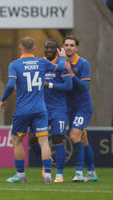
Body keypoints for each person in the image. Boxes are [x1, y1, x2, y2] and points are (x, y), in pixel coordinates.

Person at [0, 36, 66, 184]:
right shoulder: (42, 62)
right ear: (34, 49)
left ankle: (21, 175)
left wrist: (3, 99)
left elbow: (11, 85)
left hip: (23, 109)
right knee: (44, 141)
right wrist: (62, 57)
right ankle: (48, 176)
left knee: (17, 140)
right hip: (40, 108)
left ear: (20, 48)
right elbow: (61, 68)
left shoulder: (15, 64)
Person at [28, 39, 72, 183]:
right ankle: (45, 161)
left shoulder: (62, 64)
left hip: (58, 108)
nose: (49, 50)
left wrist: (50, 84)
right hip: (41, 108)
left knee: (58, 139)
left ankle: (59, 174)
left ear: (56, 49)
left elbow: (68, 86)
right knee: (33, 138)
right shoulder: (41, 63)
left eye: (52, 48)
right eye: (47, 47)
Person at [63, 35, 98, 182]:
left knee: (73, 136)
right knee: (83, 140)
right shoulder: (61, 63)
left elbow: (85, 87)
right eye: (66, 45)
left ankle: (79, 172)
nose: (69, 47)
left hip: (83, 107)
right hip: (70, 108)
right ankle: (91, 172)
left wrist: (71, 74)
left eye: (72, 45)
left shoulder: (83, 64)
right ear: (63, 47)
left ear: (76, 48)